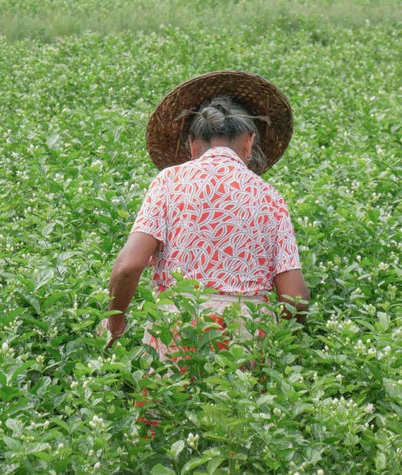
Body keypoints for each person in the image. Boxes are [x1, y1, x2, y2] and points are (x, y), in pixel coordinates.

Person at [102, 71, 309, 354]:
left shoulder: (168, 182)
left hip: (179, 327)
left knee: (169, 399)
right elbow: (295, 297)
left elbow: (127, 268)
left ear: (192, 144)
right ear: (249, 142)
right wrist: (282, 346)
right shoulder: (270, 197)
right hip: (248, 337)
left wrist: (115, 322)